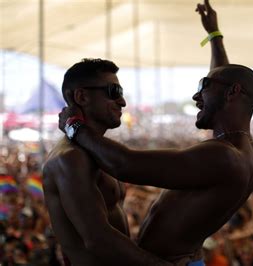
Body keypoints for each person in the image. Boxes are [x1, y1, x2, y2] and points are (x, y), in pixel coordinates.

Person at [57, 0, 253, 265]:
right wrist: (214, 37)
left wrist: (74, 127)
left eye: (205, 86)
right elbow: (224, 78)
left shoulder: (224, 157)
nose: (196, 95)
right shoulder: (240, 146)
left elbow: (125, 164)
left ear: (232, 93)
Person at [43, 59, 163, 265]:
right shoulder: (71, 158)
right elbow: (98, 239)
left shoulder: (96, 151)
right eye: (113, 91)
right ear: (81, 96)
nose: (122, 102)